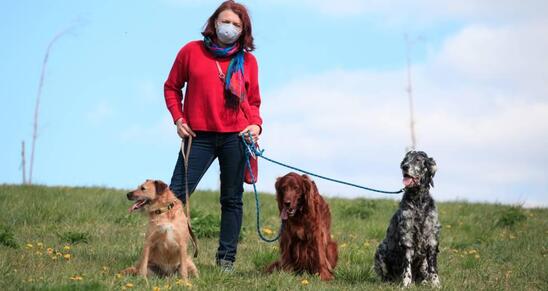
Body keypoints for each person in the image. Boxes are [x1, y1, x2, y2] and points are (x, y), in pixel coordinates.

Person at [163, 0, 262, 272]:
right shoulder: (191, 51)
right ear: (214, 22)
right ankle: (166, 257)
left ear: (243, 30)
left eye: (236, 24)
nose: (229, 27)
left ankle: (226, 261)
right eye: (225, 21)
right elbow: (172, 87)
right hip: (198, 136)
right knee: (175, 196)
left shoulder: (248, 62)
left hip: (236, 137)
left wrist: (256, 126)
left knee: (232, 200)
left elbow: (253, 102)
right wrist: (178, 118)